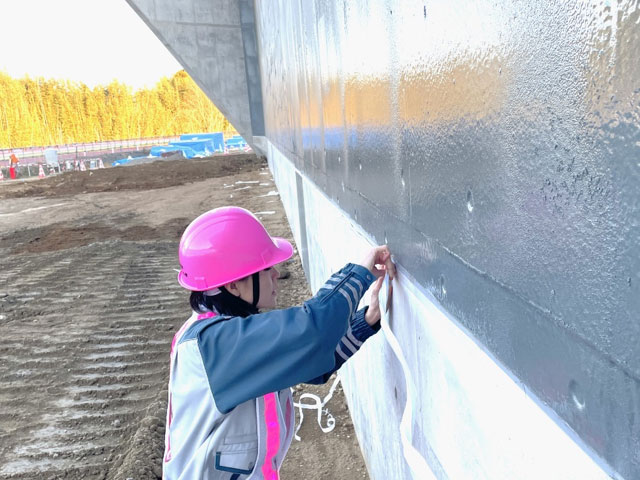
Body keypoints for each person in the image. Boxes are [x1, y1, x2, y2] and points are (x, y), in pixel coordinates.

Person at [164, 206, 395, 480]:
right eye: (265, 268)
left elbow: (310, 360)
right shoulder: (213, 345)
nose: (276, 274)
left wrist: (366, 320)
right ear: (233, 285)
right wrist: (359, 272)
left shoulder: (224, 333)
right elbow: (313, 333)